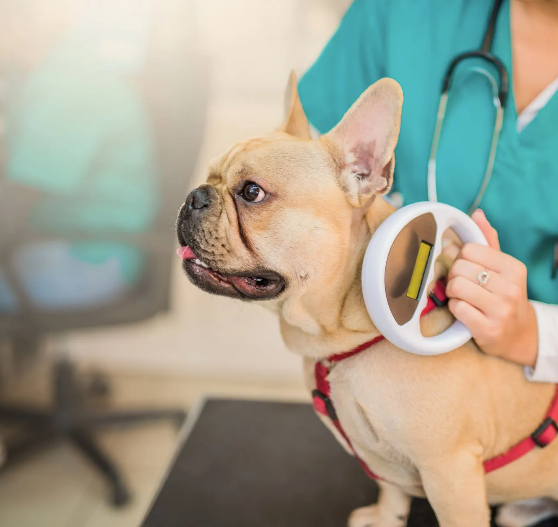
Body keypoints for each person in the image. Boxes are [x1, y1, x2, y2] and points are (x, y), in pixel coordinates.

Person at [298, 0, 558, 383]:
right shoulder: (401, 12)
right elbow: (301, 186)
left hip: (538, 403)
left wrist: (529, 334)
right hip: (382, 364)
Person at [0, 0, 157, 312]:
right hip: (51, 239)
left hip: (86, 257)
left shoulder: (72, 86)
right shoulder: (40, 73)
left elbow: (12, 208)